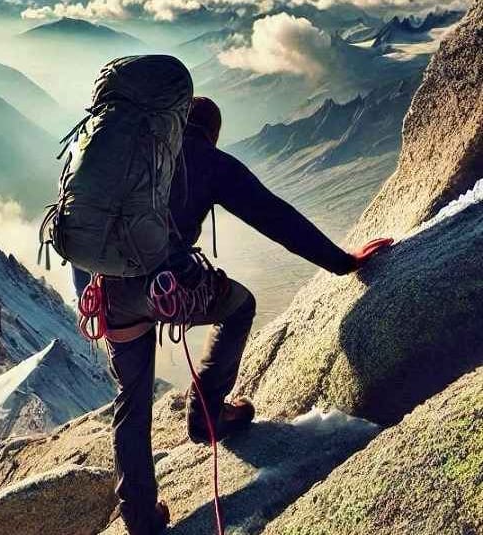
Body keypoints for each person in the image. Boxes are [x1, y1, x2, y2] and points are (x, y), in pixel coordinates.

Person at [72, 96, 392, 535]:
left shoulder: (130, 158)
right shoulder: (210, 161)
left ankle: (142, 521)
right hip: (167, 291)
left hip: (106, 290)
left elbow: (81, 227)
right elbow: (274, 216)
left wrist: (99, 292)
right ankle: (207, 415)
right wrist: (342, 261)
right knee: (239, 306)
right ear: (212, 131)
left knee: (132, 400)